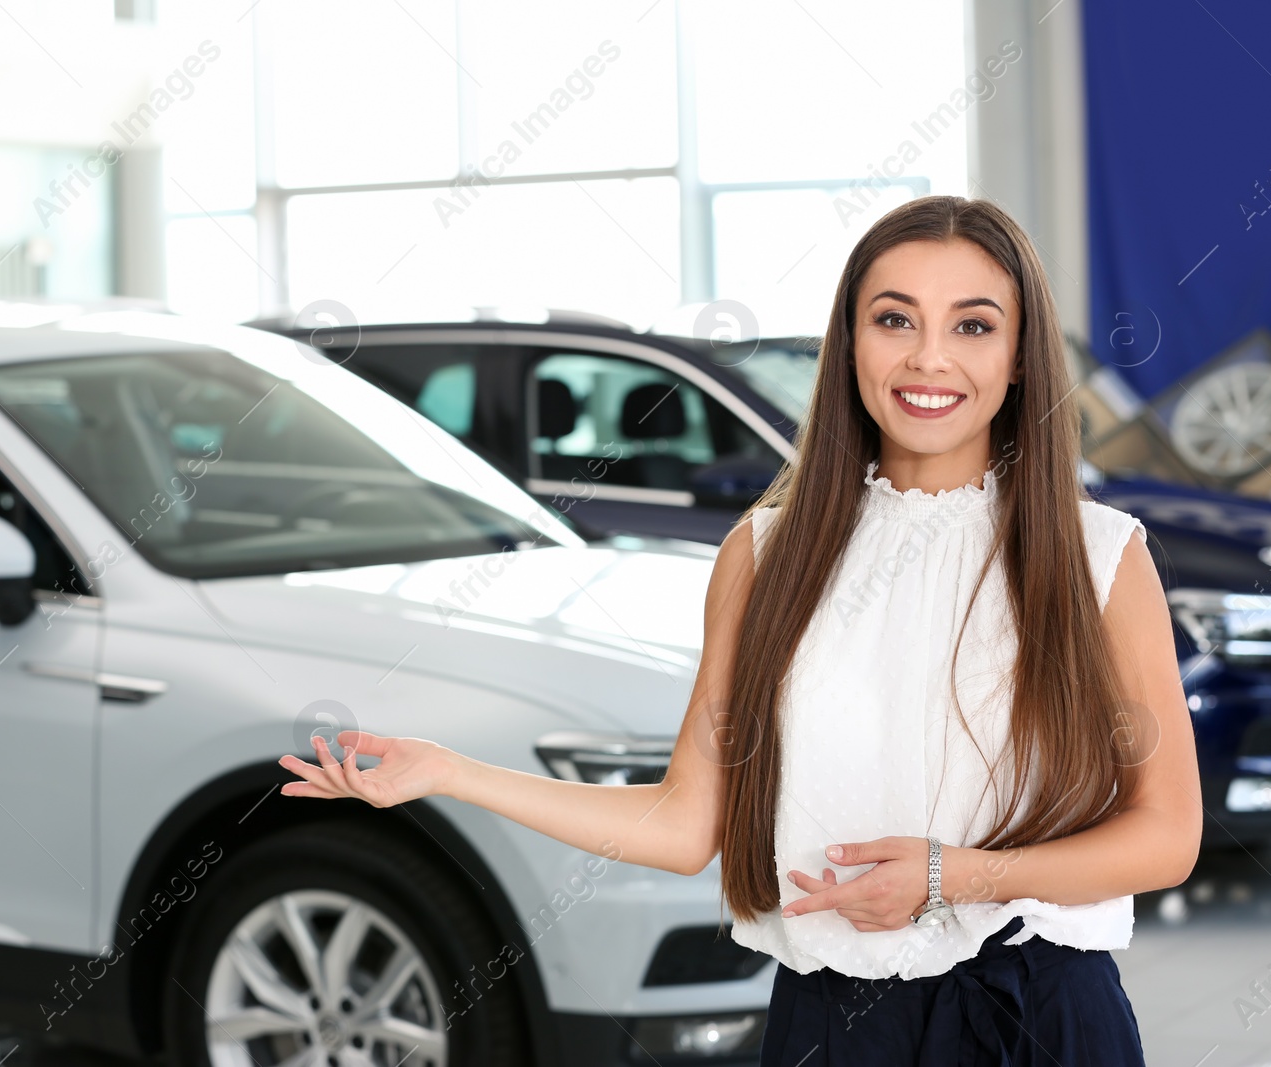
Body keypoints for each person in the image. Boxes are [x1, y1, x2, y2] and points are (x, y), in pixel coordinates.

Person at [278, 195, 1201, 1065]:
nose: (929, 358)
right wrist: (450, 771)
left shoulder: (1099, 556)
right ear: (848, 346)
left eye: (972, 324)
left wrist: (957, 877)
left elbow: (1168, 833)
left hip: (1040, 1010)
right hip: (833, 1021)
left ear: (1021, 356)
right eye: (894, 319)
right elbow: (687, 821)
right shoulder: (765, 554)